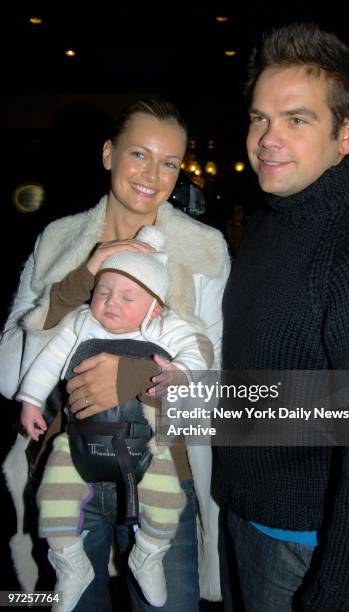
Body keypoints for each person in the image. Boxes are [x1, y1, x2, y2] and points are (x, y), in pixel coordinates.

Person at [1, 98, 230, 612]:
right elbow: (8, 369)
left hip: (163, 471)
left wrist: (133, 377)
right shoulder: (58, 240)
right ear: (109, 154)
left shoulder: (204, 250)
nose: (153, 175)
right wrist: (80, 280)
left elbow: (213, 386)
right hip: (70, 469)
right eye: (139, 155)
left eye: (170, 162)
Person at [215, 22, 349, 611]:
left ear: (345, 134)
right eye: (259, 118)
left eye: (297, 120)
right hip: (241, 512)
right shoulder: (268, 223)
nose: (267, 138)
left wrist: (340, 594)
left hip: (306, 546)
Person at [17, 226, 214, 611]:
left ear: (155, 306)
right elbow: (48, 363)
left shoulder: (167, 326)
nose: (110, 303)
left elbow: (197, 354)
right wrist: (30, 400)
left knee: (166, 500)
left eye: (127, 296)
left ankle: (149, 554)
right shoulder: (79, 323)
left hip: (147, 446)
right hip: (76, 443)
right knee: (53, 498)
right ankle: (69, 561)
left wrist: (177, 374)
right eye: (103, 292)